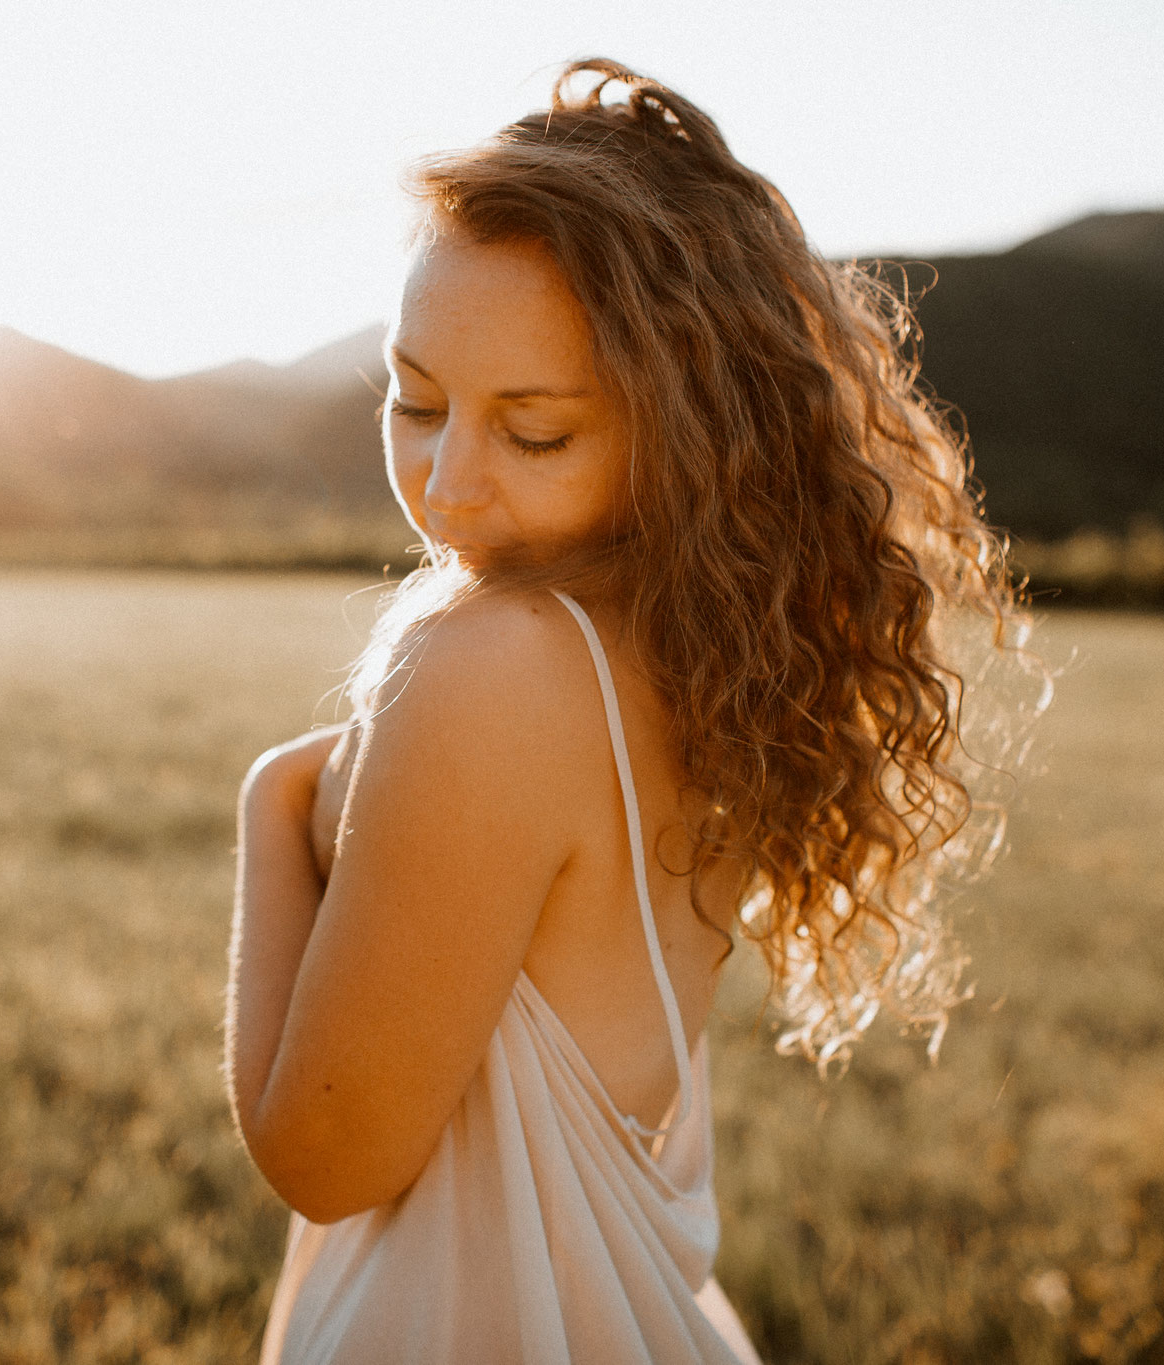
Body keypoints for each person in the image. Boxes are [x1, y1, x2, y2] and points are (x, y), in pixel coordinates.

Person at [226, 58, 1030, 1364]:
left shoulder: (494, 662)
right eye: (415, 400)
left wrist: (272, 799)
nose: (445, 485)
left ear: (684, 435)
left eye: (533, 432)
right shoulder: (709, 652)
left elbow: (323, 1154)